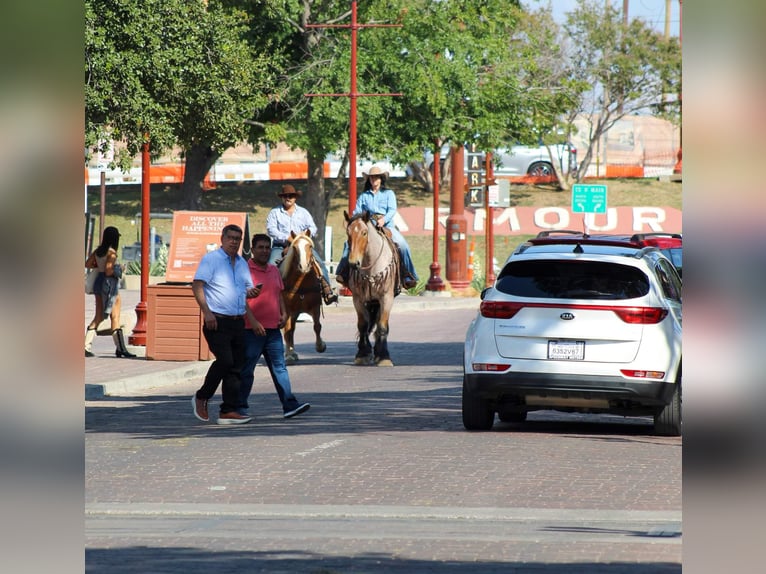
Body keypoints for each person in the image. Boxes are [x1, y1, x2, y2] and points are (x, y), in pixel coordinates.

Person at [191, 224, 259, 425]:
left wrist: (252, 293)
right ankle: (202, 396)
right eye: (230, 237)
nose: (234, 242)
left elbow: (245, 291)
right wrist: (207, 312)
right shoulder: (211, 259)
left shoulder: (241, 263)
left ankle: (228, 411)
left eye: (237, 239)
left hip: (238, 321)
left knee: (237, 366)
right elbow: (197, 285)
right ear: (222, 238)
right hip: (217, 320)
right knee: (226, 361)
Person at [238, 233, 311, 419]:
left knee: (280, 368)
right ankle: (239, 407)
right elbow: (239, 298)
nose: (264, 251)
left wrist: (285, 313)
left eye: (266, 247)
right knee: (247, 370)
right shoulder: (244, 270)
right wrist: (253, 321)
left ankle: (289, 405)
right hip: (250, 330)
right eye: (260, 247)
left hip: (272, 330)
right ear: (252, 250)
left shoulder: (273, 270)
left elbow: (279, 294)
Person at [335, 165, 419, 289]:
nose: (374, 180)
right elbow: (357, 211)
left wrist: (383, 220)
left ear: (381, 179)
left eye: (376, 178)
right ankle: (343, 272)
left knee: (403, 245)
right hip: (367, 227)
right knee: (348, 244)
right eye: (372, 178)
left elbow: (392, 210)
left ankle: (408, 274)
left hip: (387, 226)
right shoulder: (364, 196)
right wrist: (353, 222)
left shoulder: (389, 194)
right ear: (369, 180)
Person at [265, 184, 338, 305]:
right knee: (271, 264)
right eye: (285, 196)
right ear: (281, 198)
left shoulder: (303, 212)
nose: (288, 198)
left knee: (319, 262)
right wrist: (287, 237)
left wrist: (306, 234)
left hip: (301, 246)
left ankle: (327, 290)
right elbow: (271, 229)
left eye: (291, 196)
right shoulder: (274, 213)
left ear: (295, 198)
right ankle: (269, 295)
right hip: (281, 246)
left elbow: (313, 227)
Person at [84, 226, 135, 358]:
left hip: (98, 283)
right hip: (110, 284)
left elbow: (88, 264)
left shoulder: (99, 251)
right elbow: (108, 270)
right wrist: (119, 269)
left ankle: (85, 345)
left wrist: (99, 265)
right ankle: (120, 348)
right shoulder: (112, 253)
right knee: (115, 316)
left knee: (99, 316)